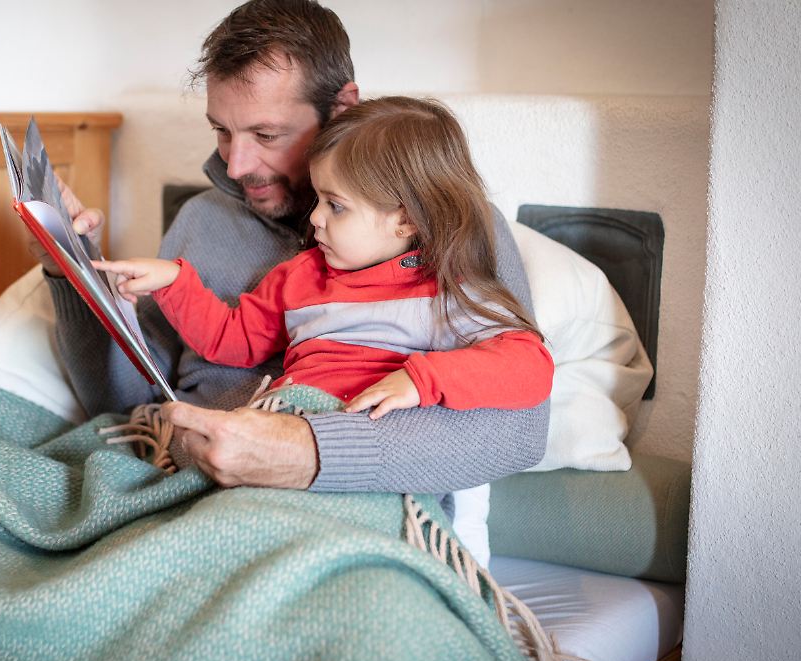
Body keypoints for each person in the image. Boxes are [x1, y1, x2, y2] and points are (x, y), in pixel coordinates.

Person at [36, 0, 550, 497]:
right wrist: (69, 269)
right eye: (221, 131)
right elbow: (122, 403)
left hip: (332, 490)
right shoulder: (201, 221)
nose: (236, 166)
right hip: (182, 475)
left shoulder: (453, 228)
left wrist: (306, 453)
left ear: (341, 107)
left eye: (266, 133)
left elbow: (517, 432)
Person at [93, 96, 554, 422]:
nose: (314, 219)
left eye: (336, 205)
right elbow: (233, 341)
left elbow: (530, 365)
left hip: (363, 443)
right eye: (318, 199)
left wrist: (422, 380)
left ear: (406, 220)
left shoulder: (444, 290)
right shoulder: (302, 276)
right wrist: (174, 282)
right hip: (284, 422)